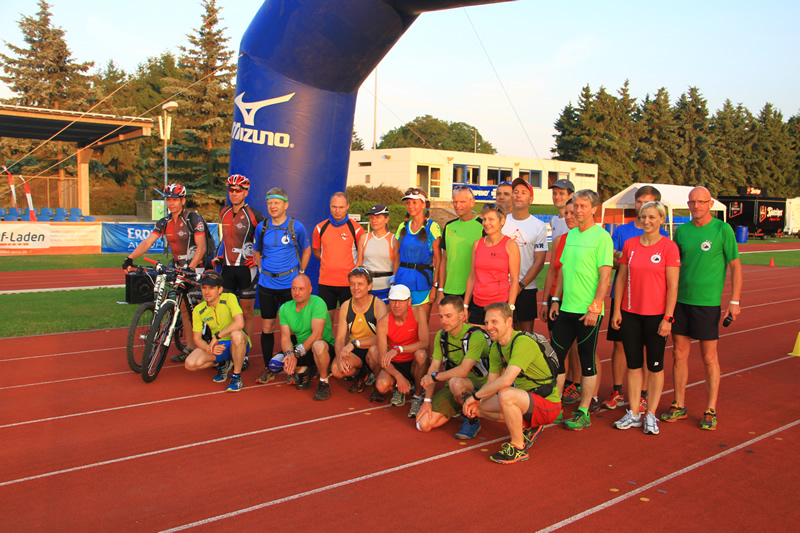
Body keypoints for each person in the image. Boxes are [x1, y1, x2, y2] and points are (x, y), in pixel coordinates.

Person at [663, 186, 742, 431]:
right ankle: (679, 404)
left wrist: (734, 301)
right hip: (681, 302)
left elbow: (736, 266)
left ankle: (710, 409)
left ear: (710, 204)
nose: (696, 206)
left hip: (707, 304)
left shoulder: (722, 229)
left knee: (709, 357)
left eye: (701, 202)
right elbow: (673, 265)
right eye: (692, 202)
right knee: (679, 354)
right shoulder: (682, 231)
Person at [610, 201, 680, 435]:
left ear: (661, 219)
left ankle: (651, 413)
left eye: (652, 217)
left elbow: (673, 285)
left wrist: (668, 318)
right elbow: (621, 278)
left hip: (657, 316)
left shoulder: (669, 247)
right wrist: (617, 310)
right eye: (643, 217)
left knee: (655, 366)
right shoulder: (630, 245)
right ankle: (634, 413)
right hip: (630, 313)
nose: (647, 221)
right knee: (633, 365)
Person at [462, 303, 561, 464]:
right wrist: (475, 401)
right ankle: (529, 425)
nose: (489, 327)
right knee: (478, 408)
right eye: (486, 322)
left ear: (509, 322)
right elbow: (491, 382)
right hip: (526, 400)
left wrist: (474, 396)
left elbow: (506, 380)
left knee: (505, 394)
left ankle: (518, 447)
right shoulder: (497, 347)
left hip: (547, 404)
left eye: (494, 322)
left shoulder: (522, 342)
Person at [549, 189, 613, 431]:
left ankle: (584, 410)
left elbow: (605, 276)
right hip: (566, 308)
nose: (578, 210)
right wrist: (555, 300)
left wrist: (595, 308)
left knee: (587, 360)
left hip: (588, 311)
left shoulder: (602, 237)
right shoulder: (571, 235)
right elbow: (563, 271)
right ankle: (555, 406)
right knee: (556, 358)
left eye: (583, 206)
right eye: (575, 206)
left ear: (594, 209)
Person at [122, 183, 207, 359]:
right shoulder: (164, 222)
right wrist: (130, 258)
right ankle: (190, 348)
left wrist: (191, 267)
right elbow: (148, 242)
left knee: (197, 308)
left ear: (182, 200)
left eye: (175, 199)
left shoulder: (193, 218)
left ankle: (207, 342)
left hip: (195, 267)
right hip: (178, 267)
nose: (171, 203)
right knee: (183, 309)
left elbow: (201, 246)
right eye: (168, 199)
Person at [602, 185, 667, 412]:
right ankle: (617, 391)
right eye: (639, 202)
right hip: (623, 299)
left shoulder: (663, 237)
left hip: (650, 302)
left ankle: (643, 394)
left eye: (647, 203)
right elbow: (613, 259)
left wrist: (627, 259)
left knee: (647, 350)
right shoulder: (622, 231)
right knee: (620, 345)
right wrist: (625, 259)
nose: (642, 207)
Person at [252, 187, 311, 384]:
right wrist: (261, 269)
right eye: (269, 203)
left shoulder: (296, 227)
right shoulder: (262, 227)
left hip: (289, 285)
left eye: (276, 203)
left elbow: (306, 249)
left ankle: (293, 368)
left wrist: (301, 272)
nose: (272, 206)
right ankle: (268, 368)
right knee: (268, 326)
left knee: (292, 328)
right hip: (267, 284)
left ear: (286, 205)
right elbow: (256, 250)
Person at [416, 295, 491, 440]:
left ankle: (472, 419)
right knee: (423, 424)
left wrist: (434, 377)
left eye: (449, 316)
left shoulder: (475, 336)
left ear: (462, 315)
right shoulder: (441, 336)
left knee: (456, 382)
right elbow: (434, 367)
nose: (444, 321)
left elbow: (463, 370)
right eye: (441, 316)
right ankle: (460, 405)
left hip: (481, 386)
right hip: (454, 386)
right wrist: (427, 401)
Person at [214, 174, 265, 348]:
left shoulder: (254, 214)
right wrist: (220, 256)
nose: (234, 193)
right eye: (231, 190)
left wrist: (258, 260)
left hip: (246, 269)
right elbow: (226, 238)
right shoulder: (223, 212)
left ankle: (246, 349)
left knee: (247, 313)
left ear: (245, 192)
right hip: (227, 269)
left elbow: (266, 239)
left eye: (238, 190)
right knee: (226, 311)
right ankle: (228, 348)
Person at [539, 198, 580, 407]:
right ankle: (558, 393)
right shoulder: (559, 240)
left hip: (578, 302)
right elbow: (552, 273)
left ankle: (583, 388)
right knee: (557, 349)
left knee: (580, 349)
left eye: (573, 213)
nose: (569, 217)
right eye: (566, 213)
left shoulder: (590, 239)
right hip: (557, 300)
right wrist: (545, 301)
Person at [270, 274, 337, 401]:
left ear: (310, 289)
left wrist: (295, 354)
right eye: (294, 289)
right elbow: (285, 338)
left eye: (301, 289)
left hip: (323, 347)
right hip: (302, 349)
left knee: (318, 345)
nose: (297, 293)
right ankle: (305, 371)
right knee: (276, 364)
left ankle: (324, 382)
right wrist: (289, 354)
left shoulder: (318, 303)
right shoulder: (285, 308)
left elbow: (317, 335)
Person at [367, 284, 429, 416]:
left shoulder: (418, 312)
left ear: (409, 301)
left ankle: (417, 397)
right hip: (396, 364)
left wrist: (399, 349)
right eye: (393, 300)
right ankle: (399, 388)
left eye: (401, 301)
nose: (396, 305)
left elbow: (425, 343)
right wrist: (398, 376)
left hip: (414, 362)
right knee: (381, 385)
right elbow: (382, 359)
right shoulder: (383, 323)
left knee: (421, 354)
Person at [184, 271, 250, 392]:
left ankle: (236, 376)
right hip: (219, 346)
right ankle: (223, 364)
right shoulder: (199, 310)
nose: (207, 292)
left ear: (220, 290)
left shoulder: (229, 298)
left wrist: (217, 336)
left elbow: (239, 323)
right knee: (190, 363)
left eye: (211, 288)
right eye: (204, 288)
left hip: (238, 342)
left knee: (236, 335)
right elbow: (197, 339)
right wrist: (208, 348)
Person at [330, 267, 388, 394]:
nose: (356, 288)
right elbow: (340, 338)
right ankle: (361, 373)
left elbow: (383, 337)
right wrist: (340, 358)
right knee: (336, 370)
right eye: (352, 284)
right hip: (355, 350)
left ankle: (378, 380)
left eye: (360, 284)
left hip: (373, 347)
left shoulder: (378, 305)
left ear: (369, 286)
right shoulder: (346, 306)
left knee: (374, 351)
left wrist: (355, 343)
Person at [463, 203, 520, 327]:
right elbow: (472, 277)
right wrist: (465, 305)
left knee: (496, 338)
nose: (486, 223)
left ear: (502, 221)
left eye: (491, 219)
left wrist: (510, 308)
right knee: (475, 338)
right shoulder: (477, 244)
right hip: (477, 304)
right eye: (484, 219)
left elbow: (515, 280)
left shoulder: (510, 245)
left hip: (499, 306)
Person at [502, 177, 547, 332]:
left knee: (525, 333)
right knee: (503, 331)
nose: (518, 195)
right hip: (503, 286)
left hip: (526, 288)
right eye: (515, 192)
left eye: (523, 192)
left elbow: (539, 262)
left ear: (531, 199)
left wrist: (520, 285)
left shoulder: (539, 226)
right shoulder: (502, 222)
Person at [313, 192, 365, 321]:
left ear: (347, 206)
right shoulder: (320, 228)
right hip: (326, 282)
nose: (337, 211)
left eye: (341, 207)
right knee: (326, 322)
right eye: (334, 207)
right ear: (329, 206)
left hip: (349, 283)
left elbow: (362, 255)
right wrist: (330, 262)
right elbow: (316, 252)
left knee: (349, 322)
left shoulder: (357, 229)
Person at [394, 187, 441, 319]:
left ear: (423, 204)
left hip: (422, 282)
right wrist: (393, 281)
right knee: (402, 323)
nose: (410, 206)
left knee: (421, 324)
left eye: (414, 202)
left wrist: (435, 287)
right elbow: (397, 257)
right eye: (408, 203)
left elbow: (438, 259)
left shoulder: (433, 227)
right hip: (402, 280)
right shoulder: (402, 227)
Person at [438, 185, 483, 300]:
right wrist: (441, 289)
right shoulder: (449, 226)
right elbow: (444, 260)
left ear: (472, 203)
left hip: (475, 290)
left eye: (462, 202)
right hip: (450, 290)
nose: (458, 206)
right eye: (455, 202)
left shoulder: (483, 226)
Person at [356, 204, 398, 303]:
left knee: (384, 313)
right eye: (371, 217)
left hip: (386, 288)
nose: (374, 220)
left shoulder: (394, 239)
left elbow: (397, 264)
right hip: (367, 288)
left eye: (378, 217)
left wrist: (393, 286)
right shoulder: (364, 238)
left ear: (386, 219)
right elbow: (359, 264)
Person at [548, 178, 575, 242]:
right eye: (554, 193)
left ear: (571, 195)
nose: (557, 197)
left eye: (561, 193)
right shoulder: (553, 220)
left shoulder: (576, 220)